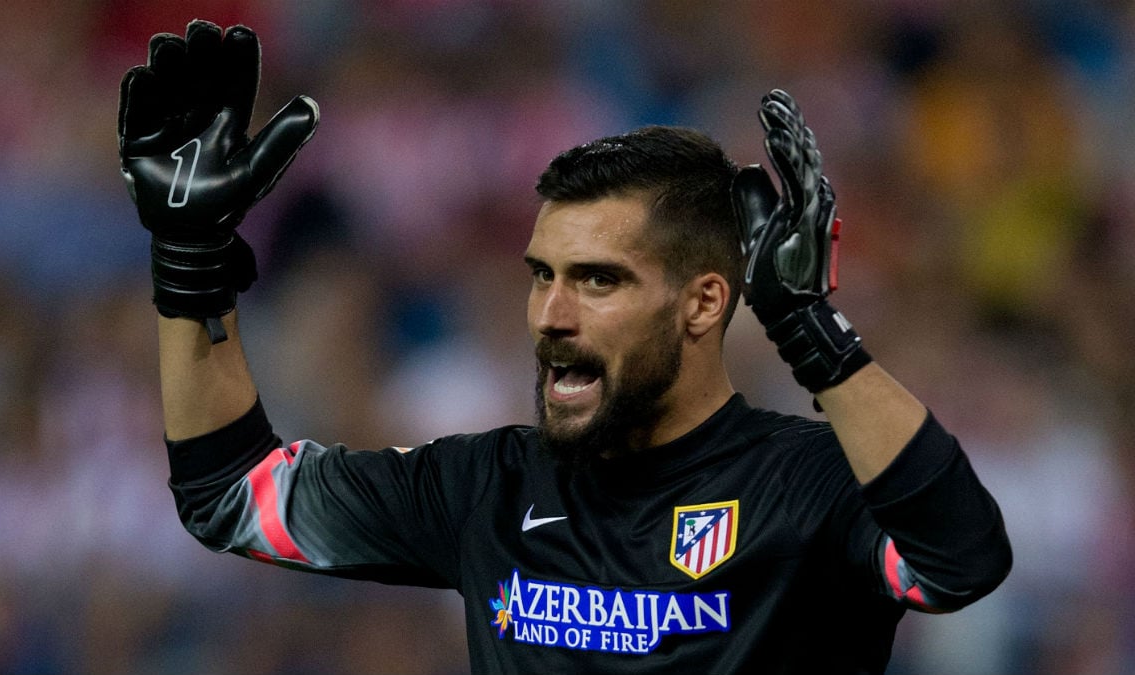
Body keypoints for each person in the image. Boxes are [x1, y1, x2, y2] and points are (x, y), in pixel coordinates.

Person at [118, 20, 1011, 674]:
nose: (549, 313)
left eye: (599, 280)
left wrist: (811, 332)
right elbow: (230, 496)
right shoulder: (487, 488)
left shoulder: (811, 485)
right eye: (542, 274)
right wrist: (188, 262)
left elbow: (959, 560)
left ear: (705, 302)